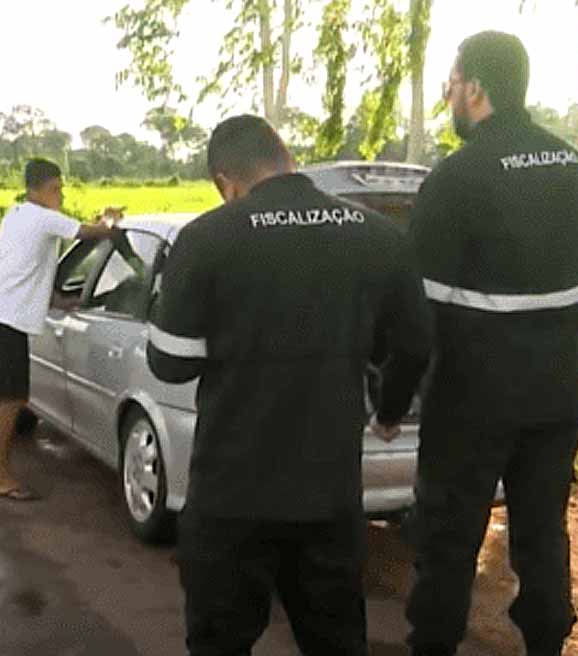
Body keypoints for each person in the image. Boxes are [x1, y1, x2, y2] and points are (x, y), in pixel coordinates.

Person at [147, 114, 432, 655]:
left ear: (224, 182)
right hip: (328, 497)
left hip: (231, 497)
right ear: (288, 159)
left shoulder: (207, 238)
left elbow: (171, 363)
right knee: (336, 643)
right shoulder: (376, 234)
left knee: (219, 644)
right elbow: (415, 345)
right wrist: (389, 412)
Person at [374, 32, 578, 656]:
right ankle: (547, 646)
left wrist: (391, 403)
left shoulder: (454, 182)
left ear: (474, 88)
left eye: (451, 85)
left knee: (448, 542)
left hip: (470, 403)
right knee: (542, 534)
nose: (449, 96)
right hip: (558, 397)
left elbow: (417, 321)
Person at [0, 158, 119, 500]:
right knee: (12, 400)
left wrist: (55, 300)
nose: (61, 195)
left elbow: (27, 269)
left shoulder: (17, 215)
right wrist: (110, 219)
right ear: (40, 188)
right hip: (7, 321)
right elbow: (89, 232)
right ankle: (1, 477)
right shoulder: (42, 216)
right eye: (57, 189)